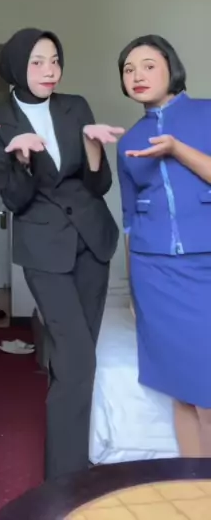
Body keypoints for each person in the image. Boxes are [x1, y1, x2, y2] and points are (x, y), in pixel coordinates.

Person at [0, 28, 122, 481]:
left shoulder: (75, 106)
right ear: (16, 66)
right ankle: (66, 482)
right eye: (38, 61)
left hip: (92, 242)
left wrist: (94, 151)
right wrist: (21, 163)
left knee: (71, 360)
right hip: (44, 251)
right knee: (79, 360)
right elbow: (15, 200)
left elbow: (99, 185)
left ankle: (68, 464)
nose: (49, 70)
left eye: (55, 60)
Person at [117, 34, 211, 458]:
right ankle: (192, 485)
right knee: (181, 390)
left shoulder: (207, 114)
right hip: (154, 273)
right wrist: (132, 288)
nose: (137, 75)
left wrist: (176, 149)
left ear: (171, 68)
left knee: (208, 393)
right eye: (128, 69)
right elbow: (129, 219)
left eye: (148, 65)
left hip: (204, 267)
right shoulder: (129, 140)